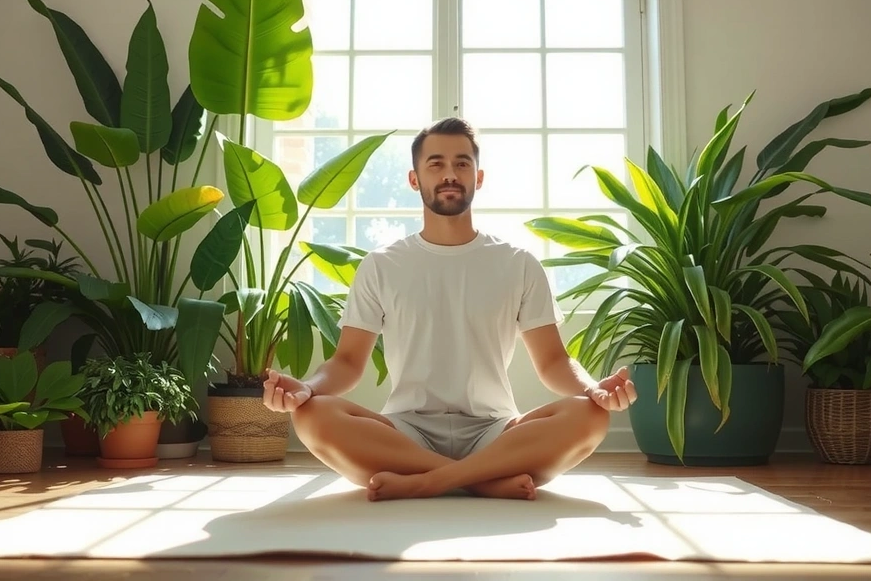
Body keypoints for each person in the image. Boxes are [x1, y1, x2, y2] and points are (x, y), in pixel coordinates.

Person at [262, 117, 637, 502]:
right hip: (405, 431)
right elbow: (347, 363)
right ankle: (482, 481)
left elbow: (554, 362)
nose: (450, 175)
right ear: (414, 179)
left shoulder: (518, 263)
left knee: (589, 417)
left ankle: (425, 482)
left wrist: (595, 390)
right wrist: (307, 389)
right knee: (312, 416)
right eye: (436, 164)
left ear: (478, 177)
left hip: (496, 431)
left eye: (462, 164)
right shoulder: (381, 264)